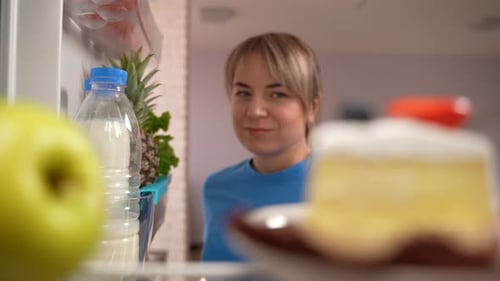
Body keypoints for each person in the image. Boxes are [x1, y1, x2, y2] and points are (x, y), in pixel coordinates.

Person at [201, 32, 323, 262]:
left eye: (278, 94)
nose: (255, 111)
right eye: (243, 93)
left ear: (312, 108)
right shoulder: (216, 188)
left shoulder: (339, 189)